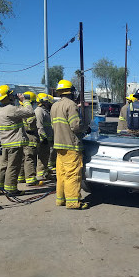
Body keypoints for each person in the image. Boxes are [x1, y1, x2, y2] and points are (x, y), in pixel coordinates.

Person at [50, 79, 89, 209]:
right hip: (71, 145)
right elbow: (75, 126)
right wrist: (85, 127)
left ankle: (61, 199)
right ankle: (73, 202)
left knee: (61, 174)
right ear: (71, 92)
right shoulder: (71, 105)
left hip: (59, 145)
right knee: (72, 173)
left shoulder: (54, 106)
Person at [0, 85, 34, 195]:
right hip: (15, 143)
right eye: (11, 94)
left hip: (5, 143)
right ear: (7, 97)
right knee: (13, 166)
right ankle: (11, 189)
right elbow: (30, 112)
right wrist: (24, 100)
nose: (13, 96)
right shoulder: (11, 109)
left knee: (3, 165)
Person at [17, 91, 40, 186]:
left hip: (20, 136)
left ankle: (20, 177)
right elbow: (30, 125)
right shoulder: (28, 112)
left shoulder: (18, 109)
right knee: (29, 157)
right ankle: (30, 179)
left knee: (22, 157)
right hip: (29, 136)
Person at [35, 93, 54, 181]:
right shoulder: (39, 111)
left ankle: (45, 173)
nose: (48, 103)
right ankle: (40, 174)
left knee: (46, 156)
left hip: (48, 138)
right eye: (46, 102)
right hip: (43, 139)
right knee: (42, 157)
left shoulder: (45, 111)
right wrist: (43, 138)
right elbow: (39, 125)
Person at [47, 94, 57, 172]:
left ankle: (52, 164)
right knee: (50, 150)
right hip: (48, 135)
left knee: (53, 150)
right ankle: (50, 164)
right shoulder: (42, 111)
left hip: (52, 133)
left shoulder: (49, 111)